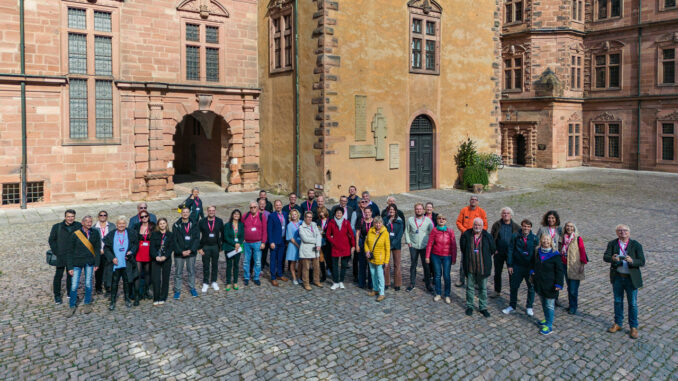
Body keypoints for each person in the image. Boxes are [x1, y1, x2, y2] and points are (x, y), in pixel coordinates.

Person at [604, 224, 645, 339]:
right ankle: (618, 323)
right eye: (620, 231)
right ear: (617, 233)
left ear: (629, 232)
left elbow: (642, 261)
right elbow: (605, 257)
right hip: (617, 277)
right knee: (617, 301)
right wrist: (612, 258)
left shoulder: (636, 245)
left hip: (631, 279)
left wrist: (632, 261)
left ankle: (633, 327)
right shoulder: (612, 243)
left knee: (632, 303)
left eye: (625, 230)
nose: (623, 232)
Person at [460, 217, 495, 318]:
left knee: (483, 289)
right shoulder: (466, 235)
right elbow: (463, 248)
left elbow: (492, 249)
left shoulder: (487, 236)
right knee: (470, 288)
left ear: (482, 226)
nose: (477, 227)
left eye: (479, 225)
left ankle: (483, 307)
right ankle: (469, 306)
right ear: (473, 225)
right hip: (470, 266)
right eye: (475, 225)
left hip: (483, 267)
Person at [66, 215, 100, 317]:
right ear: (82, 223)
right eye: (87, 222)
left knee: (88, 284)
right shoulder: (75, 234)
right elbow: (69, 251)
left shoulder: (95, 233)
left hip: (89, 262)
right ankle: (72, 306)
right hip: (76, 263)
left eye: (90, 221)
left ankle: (87, 303)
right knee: (74, 285)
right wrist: (70, 267)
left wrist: (97, 263)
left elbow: (97, 249)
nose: (89, 223)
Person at [503, 219, 538, 316]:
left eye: (528, 226)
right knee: (514, 287)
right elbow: (510, 250)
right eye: (524, 226)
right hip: (517, 266)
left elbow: (537, 254)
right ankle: (512, 305)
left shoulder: (535, 238)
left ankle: (529, 306)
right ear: (521, 227)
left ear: (530, 228)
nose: (526, 228)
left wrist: (535, 268)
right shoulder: (515, 236)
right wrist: (509, 265)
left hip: (529, 267)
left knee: (531, 287)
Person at [532, 234, 564, 335]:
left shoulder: (555, 255)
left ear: (551, 242)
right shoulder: (538, 252)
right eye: (543, 239)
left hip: (550, 284)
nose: (545, 241)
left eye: (547, 240)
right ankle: (546, 319)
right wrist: (532, 270)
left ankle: (549, 325)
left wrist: (559, 284)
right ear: (541, 241)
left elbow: (560, 271)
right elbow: (534, 263)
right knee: (543, 302)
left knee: (549, 305)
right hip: (540, 283)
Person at [103, 216, 138, 310]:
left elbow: (135, 244)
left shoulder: (131, 233)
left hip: (126, 262)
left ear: (125, 224)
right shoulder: (111, 234)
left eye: (123, 223)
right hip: (116, 263)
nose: (121, 225)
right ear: (116, 224)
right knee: (114, 283)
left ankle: (127, 299)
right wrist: (112, 258)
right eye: (119, 223)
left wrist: (131, 252)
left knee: (127, 282)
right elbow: (106, 248)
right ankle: (113, 301)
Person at [48, 209, 81, 305]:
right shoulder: (57, 227)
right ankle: (57, 295)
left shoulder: (78, 226)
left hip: (72, 256)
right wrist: (57, 251)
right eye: (68, 216)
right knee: (58, 275)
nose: (70, 218)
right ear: (65, 217)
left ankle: (70, 292)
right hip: (61, 255)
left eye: (72, 217)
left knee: (71, 275)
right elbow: (51, 240)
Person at [455, 196, 488, 287]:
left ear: (477, 202)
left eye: (475, 200)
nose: (473, 201)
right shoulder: (464, 210)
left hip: (477, 239)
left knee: (476, 260)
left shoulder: (481, 212)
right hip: (465, 238)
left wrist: (478, 233)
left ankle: (477, 281)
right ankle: (461, 279)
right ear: (469, 201)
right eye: (472, 199)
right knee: (463, 260)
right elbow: (458, 222)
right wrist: (465, 232)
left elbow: (485, 225)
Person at [425, 215, 457, 304]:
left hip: (447, 256)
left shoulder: (450, 231)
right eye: (439, 218)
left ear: (446, 221)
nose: (441, 220)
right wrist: (427, 256)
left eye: (443, 218)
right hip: (436, 256)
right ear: (437, 220)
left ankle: (447, 294)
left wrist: (454, 257)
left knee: (446, 276)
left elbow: (454, 246)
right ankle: (438, 293)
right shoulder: (434, 230)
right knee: (437, 275)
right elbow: (430, 244)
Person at [489, 207, 520, 298]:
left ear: (511, 215)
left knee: (512, 273)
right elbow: (492, 238)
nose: (505, 215)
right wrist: (494, 249)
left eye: (507, 213)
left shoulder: (516, 227)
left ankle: (513, 292)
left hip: (511, 254)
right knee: (497, 272)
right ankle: (497, 290)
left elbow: (519, 240)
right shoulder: (496, 225)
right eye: (504, 213)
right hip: (499, 253)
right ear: (501, 215)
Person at [559, 221, 588, 315]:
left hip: (574, 265)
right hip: (564, 264)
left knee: (573, 288)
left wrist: (582, 265)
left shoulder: (578, 238)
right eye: (567, 226)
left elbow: (582, 251)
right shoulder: (563, 238)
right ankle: (571, 304)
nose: (569, 228)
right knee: (569, 287)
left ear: (574, 228)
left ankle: (573, 307)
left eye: (571, 226)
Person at [405, 203, 434, 293]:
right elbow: (407, 231)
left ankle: (428, 285)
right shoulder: (410, 220)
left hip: (424, 246)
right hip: (413, 246)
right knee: (413, 265)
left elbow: (432, 233)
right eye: (417, 209)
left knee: (426, 266)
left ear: (423, 210)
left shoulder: (428, 221)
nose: (419, 210)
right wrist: (408, 242)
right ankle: (412, 283)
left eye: (420, 209)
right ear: (414, 210)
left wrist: (430, 244)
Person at [173, 207, 200, 299]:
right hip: (179, 253)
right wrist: (181, 251)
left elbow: (197, 238)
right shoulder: (176, 225)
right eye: (183, 212)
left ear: (189, 213)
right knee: (178, 272)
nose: (185, 214)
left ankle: (192, 288)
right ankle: (177, 290)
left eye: (187, 212)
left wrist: (191, 250)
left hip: (191, 252)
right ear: (181, 213)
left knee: (191, 271)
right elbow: (174, 240)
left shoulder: (194, 224)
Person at [325, 208, 355, 290]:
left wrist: (353, 245)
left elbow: (351, 234)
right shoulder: (331, 222)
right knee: (334, 266)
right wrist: (333, 241)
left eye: (340, 213)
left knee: (344, 265)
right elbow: (327, 235)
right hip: (335, 247)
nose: (338, 214)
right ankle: (335, 282)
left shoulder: (346, 222)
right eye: (337, 213)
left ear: (342, 214)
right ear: (335, 214)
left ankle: (341, 281)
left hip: (345, 247)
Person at [198, 206, 224, 293]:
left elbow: (223, 234)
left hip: (215, 246)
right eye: (210, 210)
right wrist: (199, 248)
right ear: (207, 211)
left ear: (215, 211)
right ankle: (205, 282)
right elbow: (197, 235)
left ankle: (213, 281)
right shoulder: (202, 222)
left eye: (213, 210)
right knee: (206, 265)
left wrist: (221, 246)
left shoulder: (219, 221)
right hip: (205, 246)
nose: (211, 212)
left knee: (215, 264)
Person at [364, 216, 390, 302]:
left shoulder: (385, 233)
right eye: (376, 223)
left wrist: (386, 261)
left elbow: (387, 248)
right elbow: (366, 243)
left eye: (379, 223)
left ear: (382, 223)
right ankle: (375, 289)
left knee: (380, 276)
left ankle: (381, 293)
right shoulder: (370, 231)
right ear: (374, 223)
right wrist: (367, 251)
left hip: (380, 258)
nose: (378, 224)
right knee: (373, 274)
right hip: (371, 258)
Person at [243, 201, 267, 286]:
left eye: (254, 207)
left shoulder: (262, 216)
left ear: (257, 207)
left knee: (257, 261)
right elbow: (240, 227)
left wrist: (263, 242)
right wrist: (242, 238)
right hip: (247, 243)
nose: (253, 209)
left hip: (257, 242)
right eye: (251, 207)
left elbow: (265, 230)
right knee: (246, 261)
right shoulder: (245, 216)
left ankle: (256, 277)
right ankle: (246, 277)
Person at [150, 218, 174, 305]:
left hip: (166, 259)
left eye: (164, 223)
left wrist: (165, 256)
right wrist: (156, 256)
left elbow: (171, 247)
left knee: (165, 278)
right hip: (156, 259)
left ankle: (163, 296)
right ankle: (156, 297)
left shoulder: (170, 235)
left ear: (166, 224)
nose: (162, 225)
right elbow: (151, 247)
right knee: (156, 279)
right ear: (158, 225)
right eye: (160, 224)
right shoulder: (154, 234)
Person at [133, 210, 155, 305]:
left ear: (148, 217)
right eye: (142, 217)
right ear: (140, 218)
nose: (144, 218)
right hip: (139, 252)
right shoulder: (137, 226)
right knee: (137, 274)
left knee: (147, 273)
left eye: (145, 216)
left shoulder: (152, 226)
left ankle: (146, 291)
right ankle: (137, 295)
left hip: (148, 252)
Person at [298, 211, 323, 291]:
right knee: (306, 268)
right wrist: (316, 240)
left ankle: (316, 281)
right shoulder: (301, 227)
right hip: (306, 249)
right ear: (304, 218)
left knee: (316, 266)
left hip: (315, 249)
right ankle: (306, 283)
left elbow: (319, 235)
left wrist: (318, 244)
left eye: (310, 217)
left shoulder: (314, 225)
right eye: (308, 217)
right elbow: (305, 239)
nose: (309, 218)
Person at [267, 200, 289, 286]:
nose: (278, 206)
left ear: (282, 205)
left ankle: (279, 274)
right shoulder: (271, 216)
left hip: (283, 241)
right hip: (274, 241)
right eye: (276, 205)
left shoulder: (285, 214)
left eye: (279, 205)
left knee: (280, 259)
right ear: (274, 206)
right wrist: (271, 241)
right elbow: (269, 230)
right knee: (273, 260)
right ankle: (273, 277)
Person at [93, 210, 115, 296]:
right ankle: (98, 287)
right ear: (98, 217)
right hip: (99, 252)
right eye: (101, 215)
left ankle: (108, 287)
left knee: (108, 270)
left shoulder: (112, 226)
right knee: (98, 271)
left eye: (104, 215)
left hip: (108, 252)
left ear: (107, 216)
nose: (103, 216)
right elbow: (93, 241)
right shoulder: (94, 227)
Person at [223, 209, 245, 291]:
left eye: (238, 214)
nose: (236, 215)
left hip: (238, 248)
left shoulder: (241, 225)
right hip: (229, 247)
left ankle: (235, 282)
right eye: (235, 214)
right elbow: (226, 237)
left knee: (236, 265)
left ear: (240, 216)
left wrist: (238, 243)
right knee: (229, 266)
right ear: (232, 215)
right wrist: (234, 243)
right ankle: (228, 283)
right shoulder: (227, 225)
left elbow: (242, 236)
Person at [384, 204, 404, 291]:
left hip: (396, 245)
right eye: (390, 210)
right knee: (386, 264)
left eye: (393, 209)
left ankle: (397, 284)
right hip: (386, 244)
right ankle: (386, 283)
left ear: (395, 211)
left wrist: (393, 244)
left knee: (397, 264)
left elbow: (400, 234)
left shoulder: (399, 221)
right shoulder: (385, 220)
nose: (391, 211)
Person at [355, 204, 375, 289]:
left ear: (371, 213)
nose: (367, 214)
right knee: (362, 264)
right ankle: (361, 283)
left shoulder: (374, 221)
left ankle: (371, 284)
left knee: (371, 264)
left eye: (368, 212)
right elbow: (357, 234)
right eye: (365, 212)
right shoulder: (361, 220)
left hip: (372, 245)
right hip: (363, 243)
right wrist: (357, 245)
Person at [285, 209, 302, 284]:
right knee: (293, 262)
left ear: (297, 215)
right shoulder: (289, 225)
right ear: (290, 216)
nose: (294, 216)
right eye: (292, 214)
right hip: (293, 245)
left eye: (295, 214)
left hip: (301, 243)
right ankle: (294, 278)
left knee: (300, 262)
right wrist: (298, 246)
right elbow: (291, 238)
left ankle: (299, 277)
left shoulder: (301, 222)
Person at [255, 198, 271, 271]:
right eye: (260, 203)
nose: (262, 205)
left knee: (264, 253)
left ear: (265, 205)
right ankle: (255, 267)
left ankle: (262, 267)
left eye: (263, 204)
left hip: (265, 237)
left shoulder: (268, 214)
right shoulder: (254, 213)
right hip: (256, 237)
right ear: (258, 204)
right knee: (256, 253)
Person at [316, 207, 330, 282]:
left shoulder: (330, 220)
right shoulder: (318, 221)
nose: (321, 214)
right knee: (321, 259)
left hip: (328, 241)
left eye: (323, 212)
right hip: (320, 241)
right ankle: (323, 275)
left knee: (328, 259)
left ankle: (332, 273)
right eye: (320, 212)